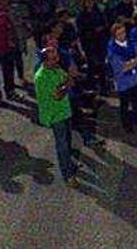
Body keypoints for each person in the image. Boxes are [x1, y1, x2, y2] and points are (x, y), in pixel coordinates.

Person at [34, 46, 77, 186]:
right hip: (55, 115)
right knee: (62, 145)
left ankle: (70, 165)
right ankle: (68, 175)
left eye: (57, 57)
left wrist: (67, 82)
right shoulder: (41, 77)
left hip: (65, 111)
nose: (57, 60)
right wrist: (68, 83)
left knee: (68, 141)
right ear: (45, 61)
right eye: (53, 59)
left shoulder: (56, 69)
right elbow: (57, 95)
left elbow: (64, 81)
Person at [107, 22, 137, 131]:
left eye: (123, 32)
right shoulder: (112, 50)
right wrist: (135, 61)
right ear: (114, 35)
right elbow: (121, 68)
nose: (122, 35)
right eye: (119, 34)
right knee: (124, 105)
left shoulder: (130, 42)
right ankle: (127, 125)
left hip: (135, 78)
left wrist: (130, 63)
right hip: (123, 82)